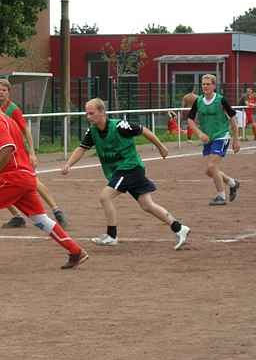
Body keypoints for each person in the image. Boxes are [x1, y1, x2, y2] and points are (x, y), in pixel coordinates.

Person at [0, 93, 88, 271]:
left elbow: (7, 149)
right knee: (41, 219)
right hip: (26, 177)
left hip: (12, 177)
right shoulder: (9, 121)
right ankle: (76, 251)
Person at [61, 98, 191, 250]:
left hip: (130, 167)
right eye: (87, 113)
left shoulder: (119, 126)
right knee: (147, 204)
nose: (88, 117)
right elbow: (82, 148)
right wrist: (69, 164)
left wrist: (161, 147)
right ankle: (179, 228)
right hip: (121, 170)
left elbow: (144, 130)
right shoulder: (92, 131)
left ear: (102, 112)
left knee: (105, 196)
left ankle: (111, 235)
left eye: (91, 113)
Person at [0, 78, 69, 229]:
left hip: (18, 153)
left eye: (4, 90)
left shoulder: (12, 109)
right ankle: (17, 216)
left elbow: (25, 130)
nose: (1, 92)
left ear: (9, 92)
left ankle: (57, 210)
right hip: (4, 153)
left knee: (33, 182)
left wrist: (32, 153)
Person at [187, 74, 241, 206]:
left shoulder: (221, 100)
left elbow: (233, 118)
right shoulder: (198, 101)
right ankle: (232, 183)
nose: (205, 86)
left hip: (221, 135)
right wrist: (199, 133)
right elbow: (190, 120)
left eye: (208, 84)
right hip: (207, 138)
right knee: (209, 171)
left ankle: (221, 196)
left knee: (212, 166)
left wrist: (236, 139)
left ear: (214, 86)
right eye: (203, 84)